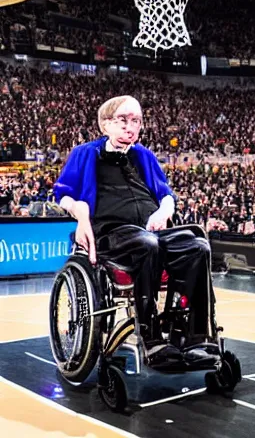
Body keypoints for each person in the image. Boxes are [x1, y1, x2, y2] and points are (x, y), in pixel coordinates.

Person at [53, 95, 213, 361]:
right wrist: (79, 211)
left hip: (150, 232)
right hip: (110, 234)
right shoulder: (85, 153)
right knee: (147, 244)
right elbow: (62, 193)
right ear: (105, 125)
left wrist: (164, 210)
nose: (131, 127)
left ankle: (196, 337)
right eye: (123, 120)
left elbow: (166, 195)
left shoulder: (144, 156)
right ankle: (150, 337)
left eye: (136, 121)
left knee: (198, 246)